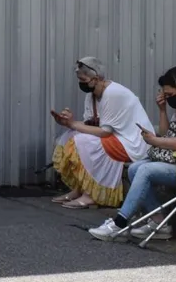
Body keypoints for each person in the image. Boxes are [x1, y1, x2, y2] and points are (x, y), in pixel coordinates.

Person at [89, 66, 176, 242]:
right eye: (166, 96)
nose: (169, 99)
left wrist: (155, 141)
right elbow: (166, 134)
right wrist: (162, 111)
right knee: (134, 169)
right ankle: (159, 222)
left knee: (145, 170)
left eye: (170, 95)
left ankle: (119, 223)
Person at [50, 57, 154, 209]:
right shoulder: (91, 95)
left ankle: (90, 195)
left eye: (83, 79)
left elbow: (105, 132)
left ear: (96, 78)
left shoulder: (113, 93)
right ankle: (79, 189)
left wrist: (73, 124)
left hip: (132, 142)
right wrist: (68, 123)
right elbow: (89, 125)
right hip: (115, 137)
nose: (81, 83)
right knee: (70, 136)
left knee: (81, 142)